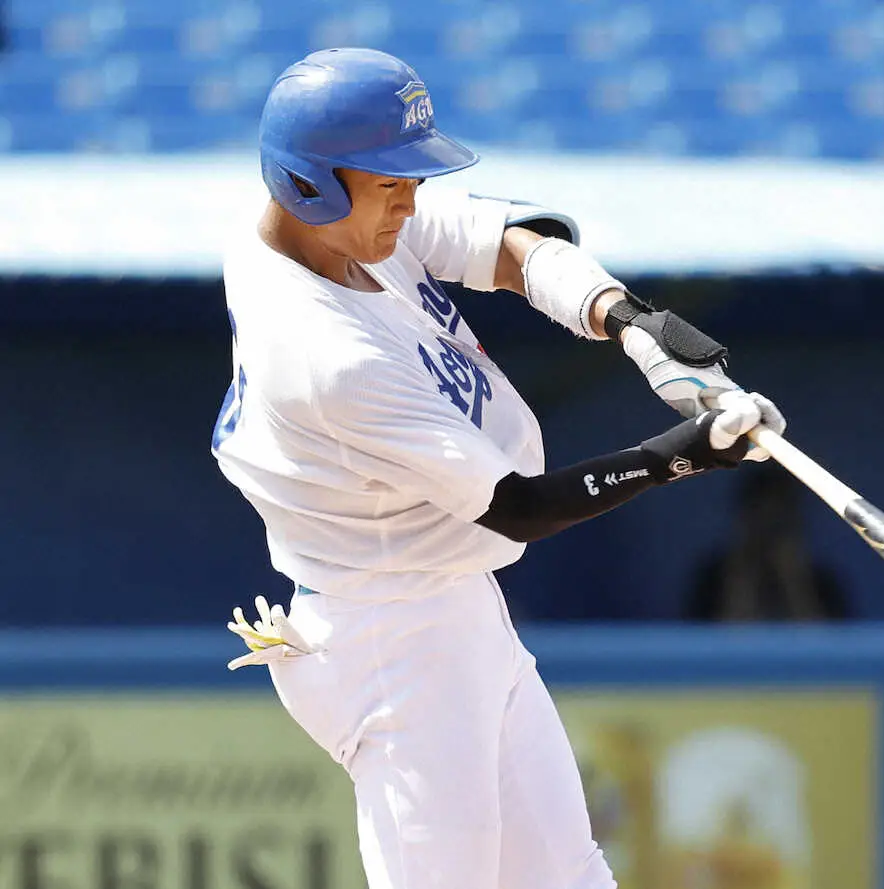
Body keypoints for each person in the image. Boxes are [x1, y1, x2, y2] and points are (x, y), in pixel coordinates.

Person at [214, 48, 785, 889]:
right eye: (390, 185)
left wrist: (629, 322)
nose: (410, 206)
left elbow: (514, 245)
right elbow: (517, 508)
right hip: (388, 639)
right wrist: (683, 456)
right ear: (309, 185)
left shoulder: (337, 229)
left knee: (571, 875)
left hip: (451, 604)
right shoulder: (322, 351)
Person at [686, 464, 850, 622]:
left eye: (779, 523)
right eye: (762, 522)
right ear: (744, 520)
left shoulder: (821, 582)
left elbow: (823, 644)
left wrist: (795, 581)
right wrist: (742, 575)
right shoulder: (714, 578)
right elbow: (720, 640)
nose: (769, 535)